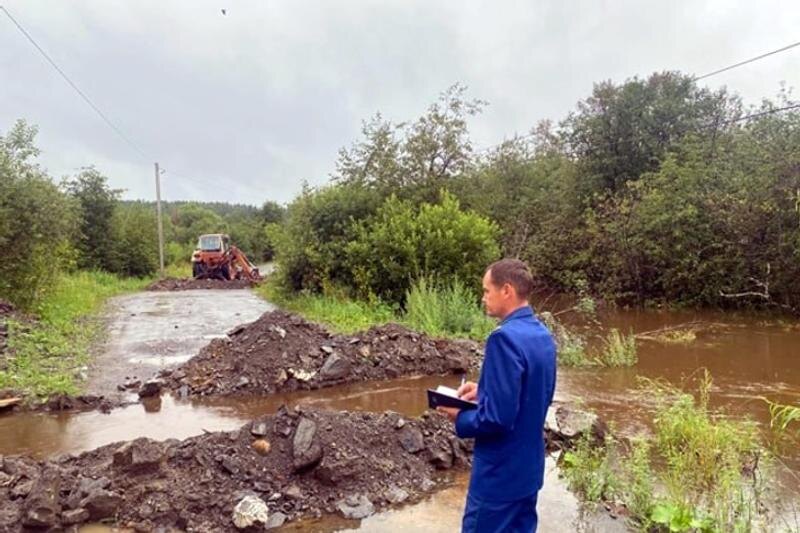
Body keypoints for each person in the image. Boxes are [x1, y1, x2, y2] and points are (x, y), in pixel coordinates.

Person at [437, 258, 557, 533]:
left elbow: (497, 419)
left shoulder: (504, 338)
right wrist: (486, 390)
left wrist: (460, 416)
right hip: (527, 473)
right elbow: (538, 394)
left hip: (498, 479)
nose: (483, 298)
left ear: (506, 290)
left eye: (486, 290)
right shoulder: (542, 335)